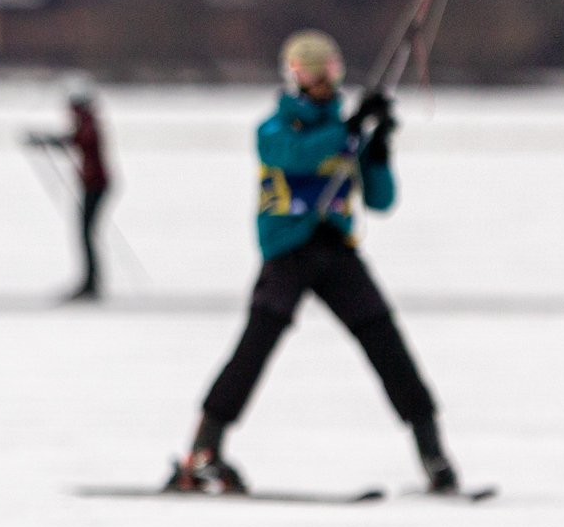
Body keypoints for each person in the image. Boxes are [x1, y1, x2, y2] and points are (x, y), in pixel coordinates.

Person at [171, 29, 457, 495]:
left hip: (336, 250)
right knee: (254, 348)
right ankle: (203, 451)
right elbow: (296, 156)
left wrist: (379, 148)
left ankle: (434, 456)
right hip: (288, 252)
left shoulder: (347, 131)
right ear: (294, 77)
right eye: (312, 74)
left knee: (386, 343)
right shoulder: (274, 128)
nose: (323, 82)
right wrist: (350, 130)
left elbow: (381, 199)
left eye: (329, 73)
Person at [27, 73, 111, 301]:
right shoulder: (87, 122)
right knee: (86, 233)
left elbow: (77, 141)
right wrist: (46, 140)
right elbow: (74, 140)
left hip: (96, 185)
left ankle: (91, 285)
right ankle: (90, 282)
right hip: (93, 184)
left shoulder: (88, 123)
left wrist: (47, 141)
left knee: (86, 233)